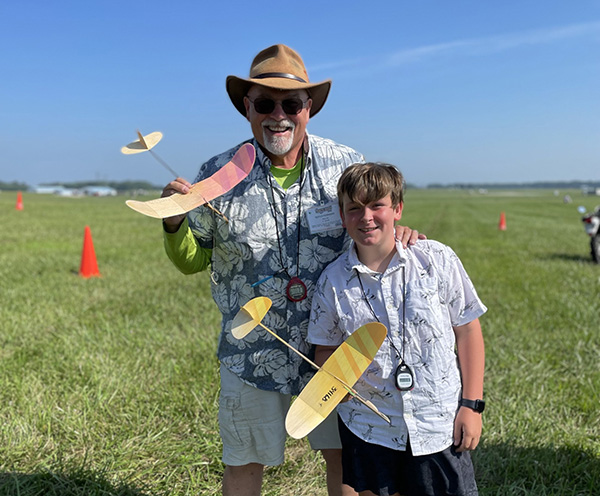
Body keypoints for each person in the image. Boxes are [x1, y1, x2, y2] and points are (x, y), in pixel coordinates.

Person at [160, 45, 420, 496]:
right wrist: (173, 222)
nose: (277, 115)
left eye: (291, 104)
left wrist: (401, 235)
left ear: (309, 108)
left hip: (336, 350)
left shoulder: (345, 165)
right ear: (247, 108)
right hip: (251, 356)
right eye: (264, 103)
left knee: (347, 465)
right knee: (244, 461)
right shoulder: (217, 174)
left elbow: (370, 224)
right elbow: (192, 259)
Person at [308, 162, 486, 496]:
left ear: (398, 209)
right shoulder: (332, 283)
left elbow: (468, 331)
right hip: (369, 428)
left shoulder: (436, 260)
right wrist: (333, 382)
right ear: (343, 216)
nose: (366, 217)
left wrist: (472, 405)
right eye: (354, 209)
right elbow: (326, 351)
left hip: (438, 426)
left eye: (377, 205)